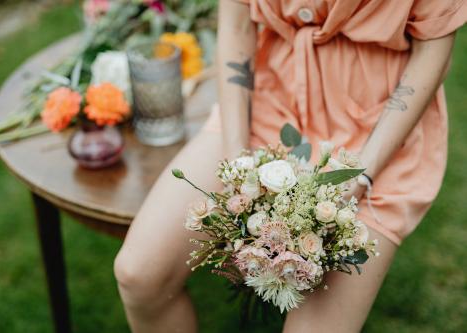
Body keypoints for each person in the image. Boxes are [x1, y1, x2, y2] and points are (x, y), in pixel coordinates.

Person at [114, 1, 467, 332]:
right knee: (139, 274)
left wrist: (359, 175)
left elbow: (432, 50)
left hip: (377, 125)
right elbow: (236, 26)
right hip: (269, 102)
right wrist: (238, 160)